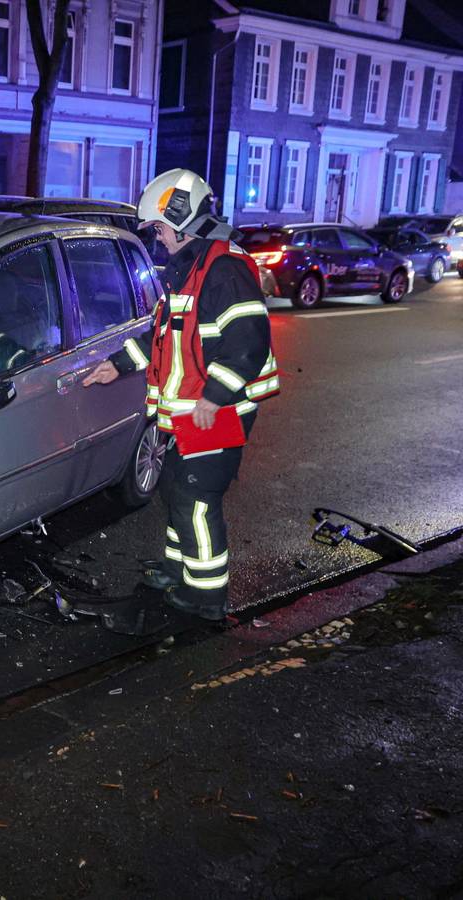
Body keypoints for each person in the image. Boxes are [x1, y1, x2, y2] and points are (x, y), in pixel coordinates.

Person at [81, 168, 279, 622]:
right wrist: (118, 364)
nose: (157, 238)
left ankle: (206, 595)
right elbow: (161, 335)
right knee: (175, 491)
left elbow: (249, 343)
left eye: (158, 228)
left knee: (196, 501)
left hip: (217, 412)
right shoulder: (189, 268)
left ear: (182, 220)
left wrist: (213, 397)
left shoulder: (223, 270)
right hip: (191, 412)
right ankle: (178, 568)